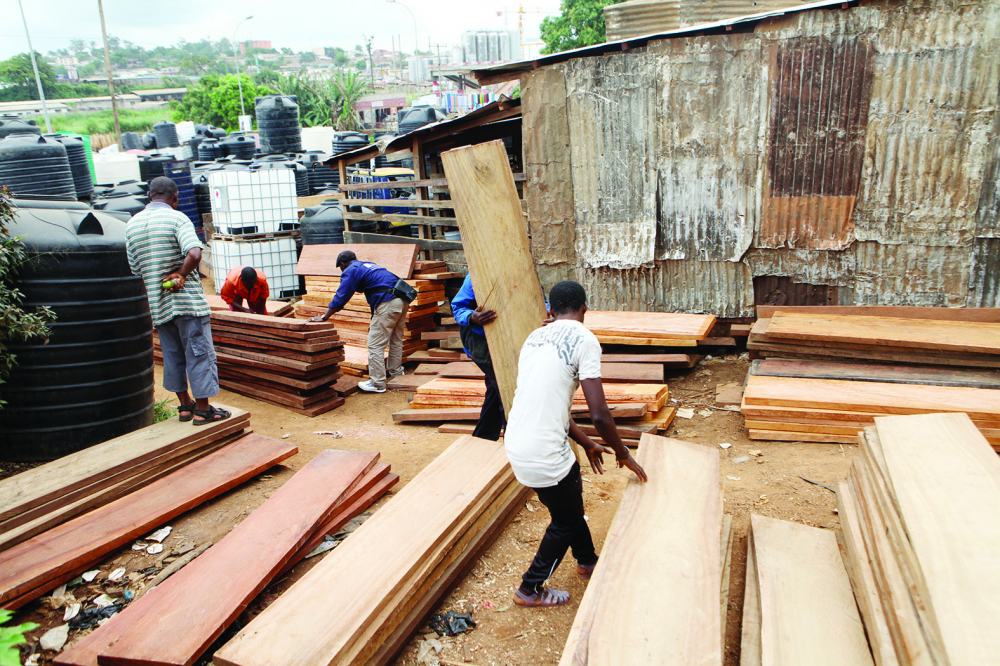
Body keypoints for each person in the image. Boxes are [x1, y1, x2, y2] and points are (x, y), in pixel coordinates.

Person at [504, 280, 647, 608]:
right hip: (544, 452)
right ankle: (530, 588)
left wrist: (586, 443)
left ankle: (586, 560)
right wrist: (623, 453)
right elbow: (599, 413)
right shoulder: (586, 339)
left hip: (518, 443)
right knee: (566, 519)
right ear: (585, 308)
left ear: (550, 311)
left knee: (568, 507)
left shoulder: (533, 338)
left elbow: (547, 403)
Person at [125, 176, 231, 426]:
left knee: (172, 356)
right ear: (175, 197)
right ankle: (204, 411)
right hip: (188, 306)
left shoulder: (131, 225)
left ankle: (185, 407)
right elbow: (195, 253)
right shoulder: (177, 218)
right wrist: (180, 274)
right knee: (199, 354)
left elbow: (135, 269)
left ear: (149, 197)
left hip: (159, 306)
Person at [308, 250, 408, 393]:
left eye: (341, 268)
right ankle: (397, 374)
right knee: (396, 339)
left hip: (387, 302)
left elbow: (341, 295)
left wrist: (324, 317)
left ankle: (377, 383)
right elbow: (380, 289)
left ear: (343, 264)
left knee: (375, 345)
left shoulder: (351, 269)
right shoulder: (369, 265)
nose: (342, 270)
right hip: (402, 300)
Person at [451, 274, 504, 440]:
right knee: (506, 390)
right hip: (482, 344)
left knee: (496, 388)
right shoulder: (475, 275)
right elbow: (458, 307)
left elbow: (540, 300)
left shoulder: (524, 268)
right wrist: (472, 317)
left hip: (511, 342)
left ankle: (483, 438)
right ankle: (515, 443)